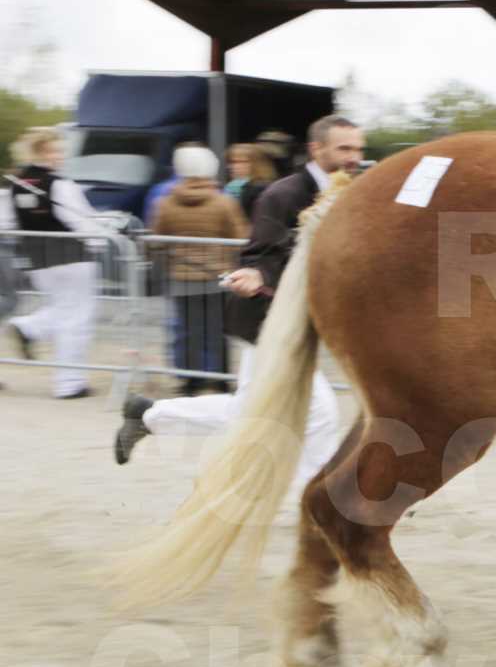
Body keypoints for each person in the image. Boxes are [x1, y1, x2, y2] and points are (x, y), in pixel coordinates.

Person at [114, 115, 364, 489]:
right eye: (344, 148)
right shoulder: (285, 194)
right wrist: (258, 274)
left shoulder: (350, 192)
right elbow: (261, 251)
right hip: (268, 321)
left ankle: (149, 414)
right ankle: (318, 501)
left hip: (298, 321)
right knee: (314, 413)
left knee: (260, 411)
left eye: (358, 148)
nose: (354, 156)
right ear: (317, 148)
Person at [2, 126, 106, 399]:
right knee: (77, 317)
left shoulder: (14, 186)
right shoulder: (60, 184)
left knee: (64, 309)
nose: (59, 156)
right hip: (73, 258)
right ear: (42, 152)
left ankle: (29, 328)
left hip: (38, 261)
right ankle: (69, 383)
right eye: (55, 150)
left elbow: (7, 224)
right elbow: (81, 221)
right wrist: (100, 243)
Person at [149, 144, 249, 394]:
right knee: (218, 329)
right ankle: (220, 379)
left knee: (188, 330)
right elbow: (240, 236)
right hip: (218, 276)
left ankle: (190, 380)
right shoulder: (224, 203)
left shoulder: (165, 203)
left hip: (181, 276)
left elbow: (156, 240)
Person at [223, 142, 280, 223]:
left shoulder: (257, 189)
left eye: (241, 161)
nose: (233, 167)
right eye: (231, 162)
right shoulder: (231, 187)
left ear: (256, 164)